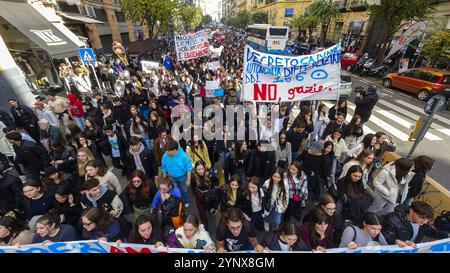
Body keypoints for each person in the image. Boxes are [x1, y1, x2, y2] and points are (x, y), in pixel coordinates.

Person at [382, 201, 450, 247]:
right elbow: (386, 237)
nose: (425, 222)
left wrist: (447, 235)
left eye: (427, 219)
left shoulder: (423, 223)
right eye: (421, 218)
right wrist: (396, 242)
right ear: (411, 211)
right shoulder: (392, 219)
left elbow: (430, 231)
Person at [335, 165, 373, 229]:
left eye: (359, 176)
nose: (357, 178)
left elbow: (362, 195)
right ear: (350, 173)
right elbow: (342, 196)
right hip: (345, 203)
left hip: (356, 205)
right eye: (355, 176)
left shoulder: (360, 183)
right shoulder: (342, 181)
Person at [161, 140, 193, 207]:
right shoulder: (165, 156)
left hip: (183, 177)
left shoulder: (183, 156)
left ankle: (186, 201)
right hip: (171, 177)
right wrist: (164, 179)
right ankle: (177, 202)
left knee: (184, 190)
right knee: (175, 191)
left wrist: (188, 179)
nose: (167, 152)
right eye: (166, 150)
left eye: (168, 151)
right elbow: (163, 167)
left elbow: (189, 168)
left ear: (175, 150)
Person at [191, 161, 220, 230]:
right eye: (198, 169)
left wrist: (214, 186)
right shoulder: (193, 177)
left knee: (210, 207)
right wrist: (198, 197)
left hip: (209, 194)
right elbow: (193, 189)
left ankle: (210, 210)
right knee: (202, 212)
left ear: (205, 168)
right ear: (195, 170)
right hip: (200, 196)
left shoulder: (209, 174)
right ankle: (205, 226)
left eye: (202, 169)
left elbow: (216, 182)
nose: (201, 171)